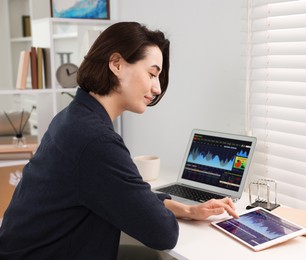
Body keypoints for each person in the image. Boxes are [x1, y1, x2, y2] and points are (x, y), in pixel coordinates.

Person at [0, 22, 238, 260]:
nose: (156, 88)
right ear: (116, 64)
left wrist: (186, 209)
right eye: (152, 74)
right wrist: (165, 209)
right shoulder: (95, 140)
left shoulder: (74, 116)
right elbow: (163, 233)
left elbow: (117, 192)